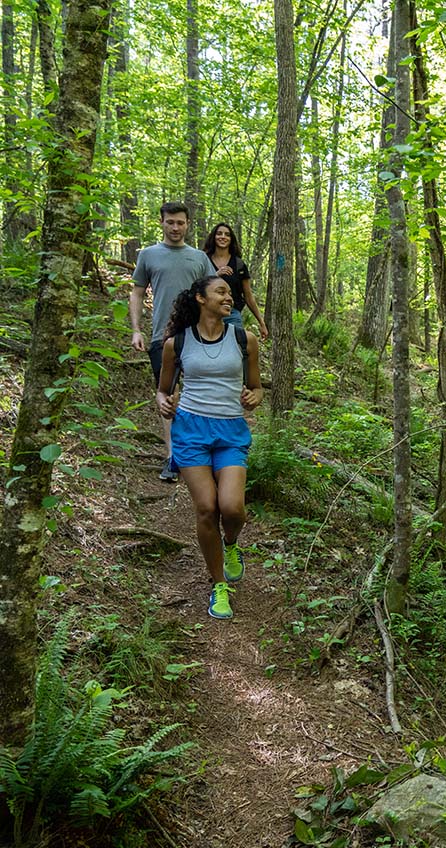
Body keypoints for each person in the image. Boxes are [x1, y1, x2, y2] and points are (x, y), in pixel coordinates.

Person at [156, 276, 264, 620]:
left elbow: (257, 387)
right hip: (190, 430)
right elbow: (163, 388)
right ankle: (219, 585)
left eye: (230, 293)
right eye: (221, 291)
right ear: (201, 298)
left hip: (231, 430)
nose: (228, 297)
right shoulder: (178, 342)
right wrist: (164, 402)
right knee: (206, 508)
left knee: (232, 509)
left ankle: (230, 545)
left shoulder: (244, 339)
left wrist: (253, 398)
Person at [130, 202, 217, 482]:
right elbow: (137, 293)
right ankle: (171, 458)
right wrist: (135, 329)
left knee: (199, 393)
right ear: (162, 223)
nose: (176, 228)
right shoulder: (148, 255)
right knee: (166, 395)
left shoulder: (200, 259)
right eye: (170, 222)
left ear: (188, 224)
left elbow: (213, 296)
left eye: (180, 222)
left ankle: (202, 454)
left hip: (198, 337)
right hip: (161, 337)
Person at [201, 222, 269, 341]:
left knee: (237, 349)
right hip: (207, 314)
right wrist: (215, 275)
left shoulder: (239, 264)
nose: (223, 237)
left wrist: (261, 322)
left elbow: (248, 295)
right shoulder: (203, 260)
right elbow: (197, 287)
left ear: (231, 239)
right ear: (213, 237)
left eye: (227, 235)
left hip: (231, 314)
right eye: (219, 234)